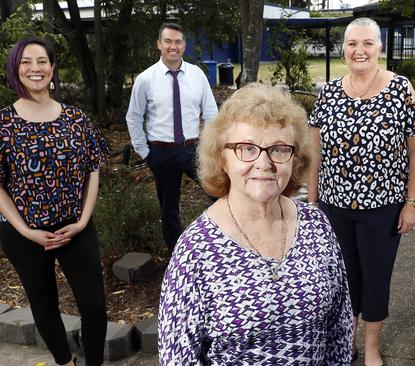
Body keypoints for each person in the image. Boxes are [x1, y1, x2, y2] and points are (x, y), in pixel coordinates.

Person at [158, 83, 353, 364]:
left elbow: (340, 327)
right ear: (222, 157)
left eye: (278, 149)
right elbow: (178, 359)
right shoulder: (195, 251)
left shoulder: (316, 225)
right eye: (246, 148)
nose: (264, 163)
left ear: (295, 160)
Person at [307, 17, 415, 366]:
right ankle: (347, 341)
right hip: (334, 206)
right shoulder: (328, 93)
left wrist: (413, 203)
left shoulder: (400, 89)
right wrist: (313, 203)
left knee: (375, 277)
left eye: (367, 43)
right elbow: (314, 152)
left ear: (380, 48)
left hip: (384, 207)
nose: (359, 50)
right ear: (344, 49)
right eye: (352, 44)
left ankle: (372, 347)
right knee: (343, 279)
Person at [0, 37, 110, 366]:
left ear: (52, 68)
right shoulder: (3, 124)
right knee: (44, 304)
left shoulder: (76, 119)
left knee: (94, 306)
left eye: (42, 61)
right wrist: (26, 231)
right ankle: (65, 362)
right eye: (26, 62)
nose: (35, 68)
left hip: (75, 226)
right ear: (15, 70)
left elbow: (93, 169)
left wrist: (81, 221)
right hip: (24, 232)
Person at [126, 22, 218, 253]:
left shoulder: (197, 75)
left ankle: (221, 246)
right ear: (159, 44)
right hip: (161, 152)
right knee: (169, 211)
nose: (173, 46)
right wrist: (145, 153)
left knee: (219, 196)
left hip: (194, 150)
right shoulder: (145, 79)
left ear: (184, 46)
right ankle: (178, 257)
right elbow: (134, 117)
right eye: (168, 41)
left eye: (178, 41)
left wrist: (211, 145)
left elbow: (211, 113)